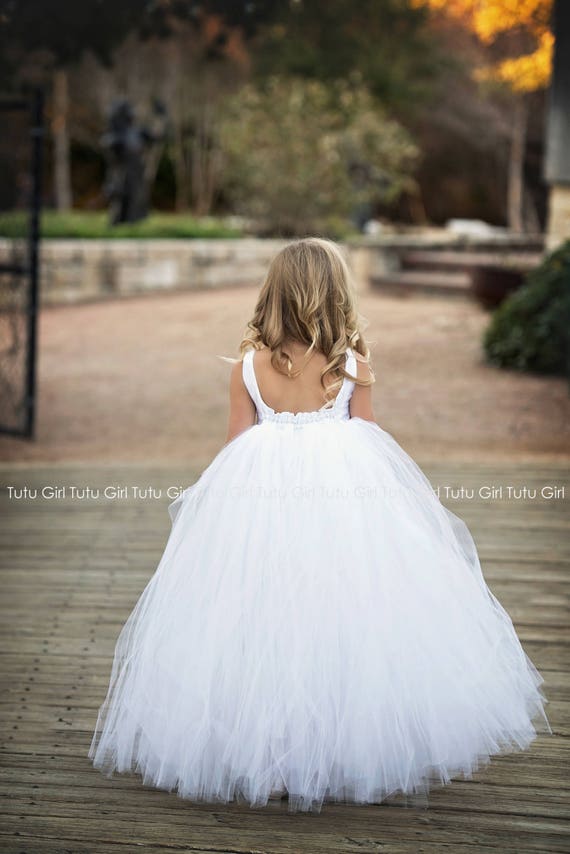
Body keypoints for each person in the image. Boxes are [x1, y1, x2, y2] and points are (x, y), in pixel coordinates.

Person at [88, 237, 551, 814]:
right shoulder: (353, 367)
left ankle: (276, 760)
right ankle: (333, 751)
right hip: (343, 505)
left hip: (260, 504)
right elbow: (370, 437)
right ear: (336, 295)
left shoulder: (248, 370)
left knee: (264, 621)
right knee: (340, 619)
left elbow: (235, 445)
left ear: (274, 294)